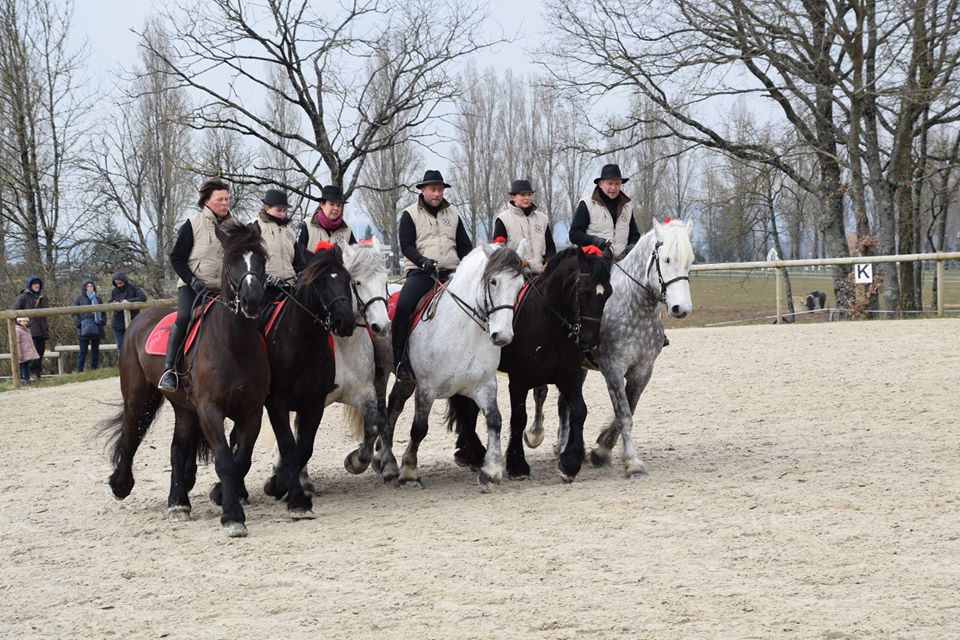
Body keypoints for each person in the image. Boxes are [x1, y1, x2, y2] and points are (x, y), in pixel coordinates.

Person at [392, 169, 473, 381]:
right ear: (423, 190)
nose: (437, 194)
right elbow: (407, 246)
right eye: (433, 189)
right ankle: (399, 361)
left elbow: (465, 246)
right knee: (403, 307)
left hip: (452, 273)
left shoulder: (453, 214)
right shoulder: (410, 214)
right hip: (422, 273)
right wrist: (422, 261)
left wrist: (470, 266)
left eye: (440, 190)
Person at [158, 178, 232, 391]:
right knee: (183, 318)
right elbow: (176, 257)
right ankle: (169, 370)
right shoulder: (193, 224)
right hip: (193, 287)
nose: (225, 203)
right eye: (220, 199)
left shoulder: (234, 226)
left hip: (224, 289)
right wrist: (192, 280)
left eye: (227, 199)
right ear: (207, 201)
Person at [569, 163, 641, 259]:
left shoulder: (627, 206)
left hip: (623, 263)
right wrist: (594, 240)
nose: (613, 188)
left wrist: (632, 245)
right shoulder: (586, 204)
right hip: (594, 260)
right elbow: (574, 234)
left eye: (617, 184)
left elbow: (634, 234)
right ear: (600, 184)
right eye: (610, 183)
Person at [251, 188, 305, 302]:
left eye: (285, 210)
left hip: (289, 288)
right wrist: (265, 278)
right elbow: (247, 261)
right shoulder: (254, 226)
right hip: (264, 289)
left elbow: (299, 262)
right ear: (267, 208)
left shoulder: (290, 231)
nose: (282, 214)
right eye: (279, 210)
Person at [493, 179, 556, 273]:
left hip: (542, 275)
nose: (527, 198)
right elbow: (499, 251)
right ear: (513, 197)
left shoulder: (543, 219)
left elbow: (550, 247)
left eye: (529, 194)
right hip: (515, 275)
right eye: (523, 195)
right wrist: (516, 260)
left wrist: (549, 262)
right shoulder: (503, 219)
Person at [297, 184, 357, 254]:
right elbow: (299, 256)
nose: (336, 208)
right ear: (322, 204)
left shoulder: (347, 230)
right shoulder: (307, 225)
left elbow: (356, 255)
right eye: (332, 204)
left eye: (339, 205)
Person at [11, 275, 50, 380]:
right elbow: (13, 313)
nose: (36, 285)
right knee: (29, 355)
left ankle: (37, 374)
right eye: (34, 283)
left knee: (39, 353)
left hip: (42, 329)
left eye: (38, 283)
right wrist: (22, 325)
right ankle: (28, 375)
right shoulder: (22, 297)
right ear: (30, 285)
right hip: (28, 330)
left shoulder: (43, 297)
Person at [108, 272, 148, 353]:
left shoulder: (133, 288)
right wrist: (115, 304)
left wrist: (128, 301)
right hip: (118, 322)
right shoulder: (114, 291)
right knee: (120, 346)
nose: (118, 283)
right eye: (117, 282)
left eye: (120, 281)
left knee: (133, 344)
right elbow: (110, 301)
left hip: (133, 321)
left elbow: (143, 297)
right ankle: (122, 363)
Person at [72, 279, 106, 372]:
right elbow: (74, 313)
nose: (90, 288)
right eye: (88, 286)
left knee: (95, 350)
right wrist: (79, 323)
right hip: (83, 328)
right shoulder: (79, 299)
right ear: (84, 288)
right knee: (83, 351)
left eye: (91, 286)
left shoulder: (98, 299)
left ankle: (94, 369)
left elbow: (103, 312)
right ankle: (79, 370)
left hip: (97, 327)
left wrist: (102, 321)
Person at [14, 317, 40, 385]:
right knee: (23, 366)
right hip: (22, 352)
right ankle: (24, 379)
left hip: (27, 351)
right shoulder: (17, 330)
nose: (25, 322)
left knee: (26, 365)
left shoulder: (27, 330)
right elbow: (17, 343)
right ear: (19, 321)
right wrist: (19, 354)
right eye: (23, 321)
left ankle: (26, 378)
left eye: (26, 321)